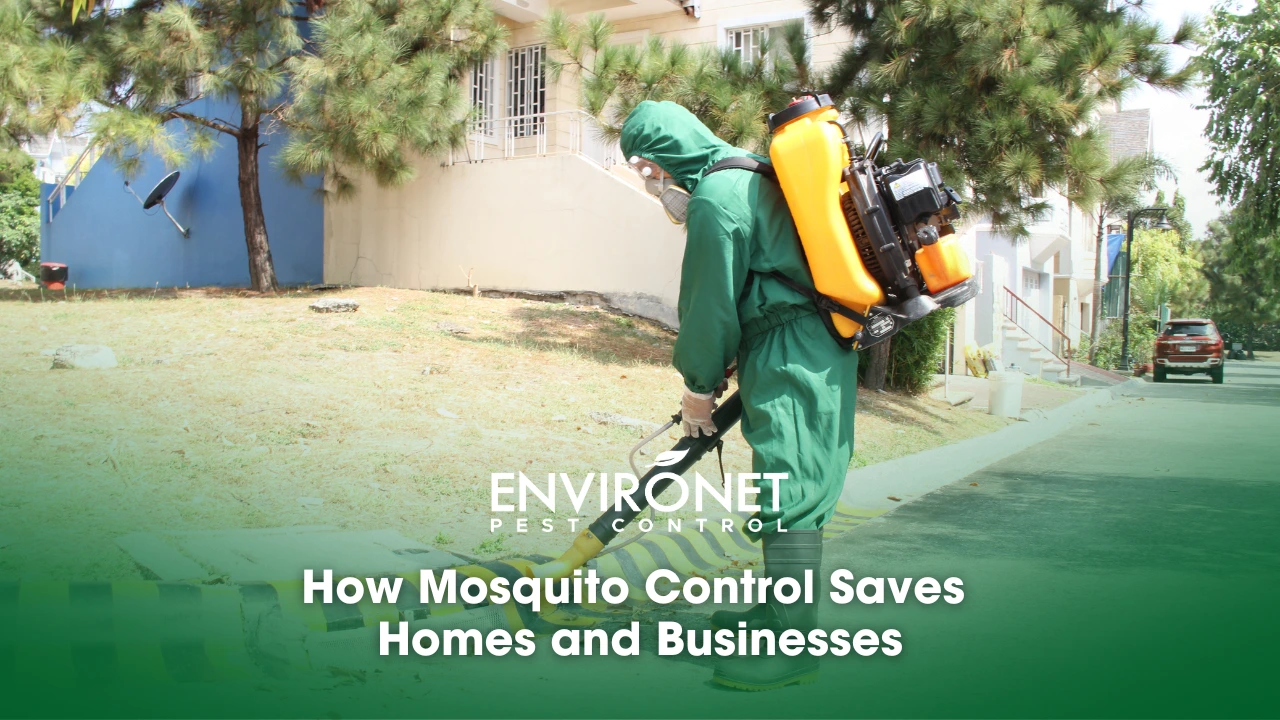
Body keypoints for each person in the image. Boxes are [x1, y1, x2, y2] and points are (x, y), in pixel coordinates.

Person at [620, 100, 859, 690]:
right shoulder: (746, 171)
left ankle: (796, 641)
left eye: (646, 174)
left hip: (794, 348)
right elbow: (761, 275)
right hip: (798, 338)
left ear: (654, 164)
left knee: (792, 484)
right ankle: (776, 616)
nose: (654, 189)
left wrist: (698, 388)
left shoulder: (713, 201)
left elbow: (707, 304)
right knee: (786, 474)